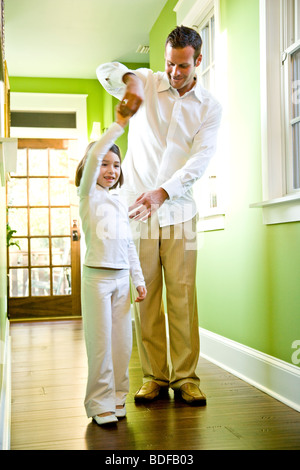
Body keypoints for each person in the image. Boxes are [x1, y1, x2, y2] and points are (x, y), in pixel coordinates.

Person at [96, 25, 222, 406]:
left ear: (198, 61)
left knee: (182, 296)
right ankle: (155, 376)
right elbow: (106, 71)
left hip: (180, 210)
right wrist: (131, 80)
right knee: (145, 293)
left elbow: (200, 161)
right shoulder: (149, 83)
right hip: (139, 211)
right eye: (170, 63)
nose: (174, 72)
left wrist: (163, 191)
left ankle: (185, 377)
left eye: (182, 66)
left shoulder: (209, 107)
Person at [75, 106, 147, 426]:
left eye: (116, 164)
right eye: (104, 163)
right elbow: (92, 162)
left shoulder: (118, 201)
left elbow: (128, 245)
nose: (111, 169)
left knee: (122, 345)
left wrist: (138, 279)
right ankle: (98, 402)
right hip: (97, 280)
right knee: (100, 343)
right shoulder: (88, 195)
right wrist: (118, 125)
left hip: (121, 282)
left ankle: (118, 397)